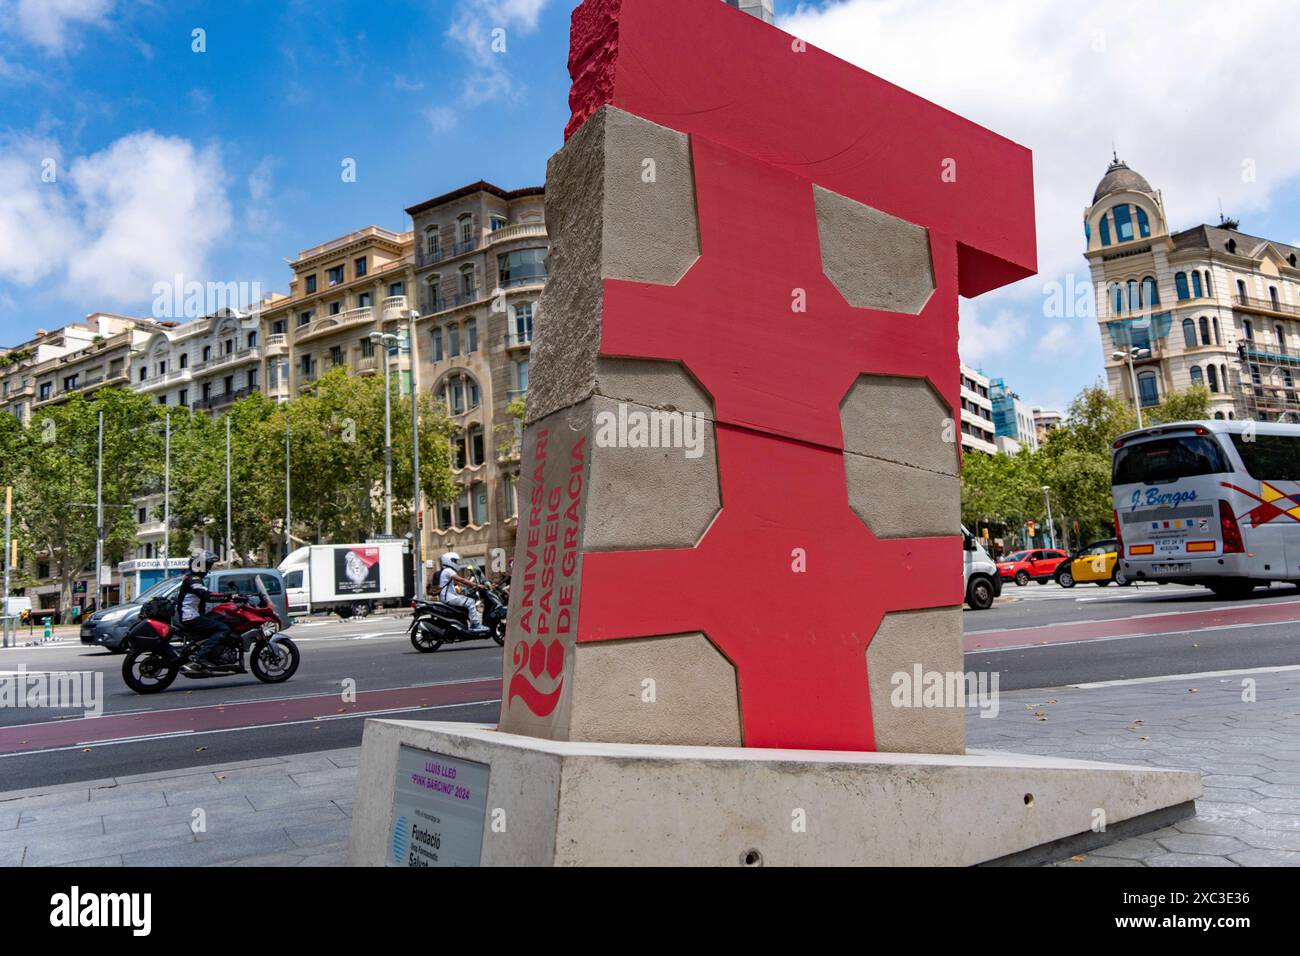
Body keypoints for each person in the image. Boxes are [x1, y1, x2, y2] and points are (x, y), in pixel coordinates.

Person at [177, 551, 235, 672]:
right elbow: (206, 595)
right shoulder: (193, 579)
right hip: (191, 617)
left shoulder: (193, 578)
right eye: (207, 565)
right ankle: (199, 659)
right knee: (223, 628)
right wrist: (229, 597)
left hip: (192, 615)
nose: (208, 569)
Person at [436, 552, 488, 635]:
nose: (456, 563)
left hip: (448, 596)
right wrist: (476, 585)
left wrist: (470, 586)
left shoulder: (446, 571)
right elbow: (462, 580)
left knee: (465, 600)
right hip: (448, 597)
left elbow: (459, 582)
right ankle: (475, 624)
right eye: (455, 561)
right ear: (450, 561)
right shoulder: (449, 571)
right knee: (470, 602)